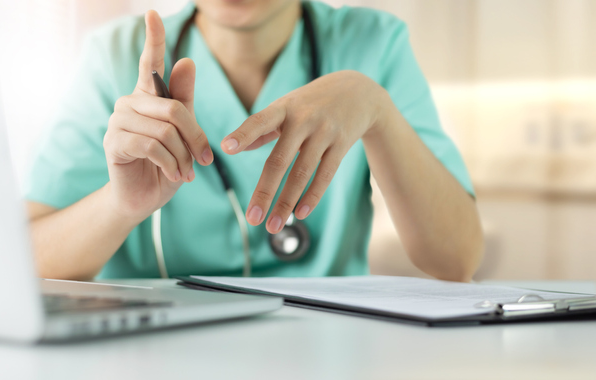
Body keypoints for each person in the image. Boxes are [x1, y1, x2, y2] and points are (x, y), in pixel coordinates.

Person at [24, 0, 483, 282]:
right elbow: (23, 260)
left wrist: (377, 111)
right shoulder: (115, 55)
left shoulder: (374, 43)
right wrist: (120, 205)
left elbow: (456, 260)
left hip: (328, 343)